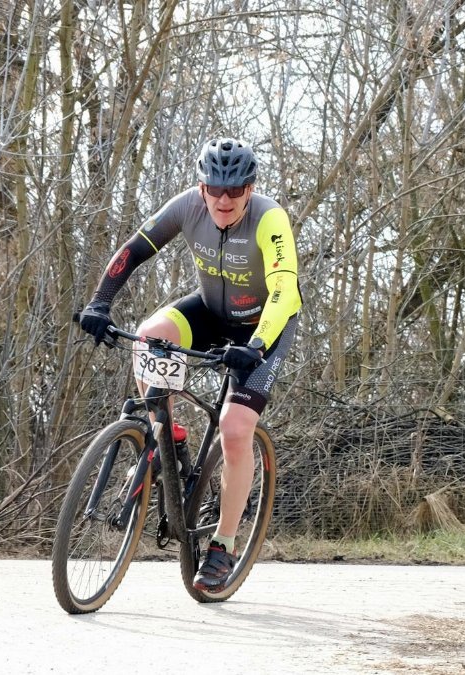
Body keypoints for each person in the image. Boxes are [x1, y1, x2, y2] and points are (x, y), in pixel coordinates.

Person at [78, 137, 302, 589]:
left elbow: (282, 289)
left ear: (250, 189)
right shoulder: (187, 206)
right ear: (201, 188)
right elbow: (133, 250)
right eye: (214, 189)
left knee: (236, 430)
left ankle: (223, 544)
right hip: (211, 312)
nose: (224, 200)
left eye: (235, 191)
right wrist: (100, 303)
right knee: (148, 337)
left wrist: (256, 346)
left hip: (263, 328)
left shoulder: (269, 218)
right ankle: (169, 436)